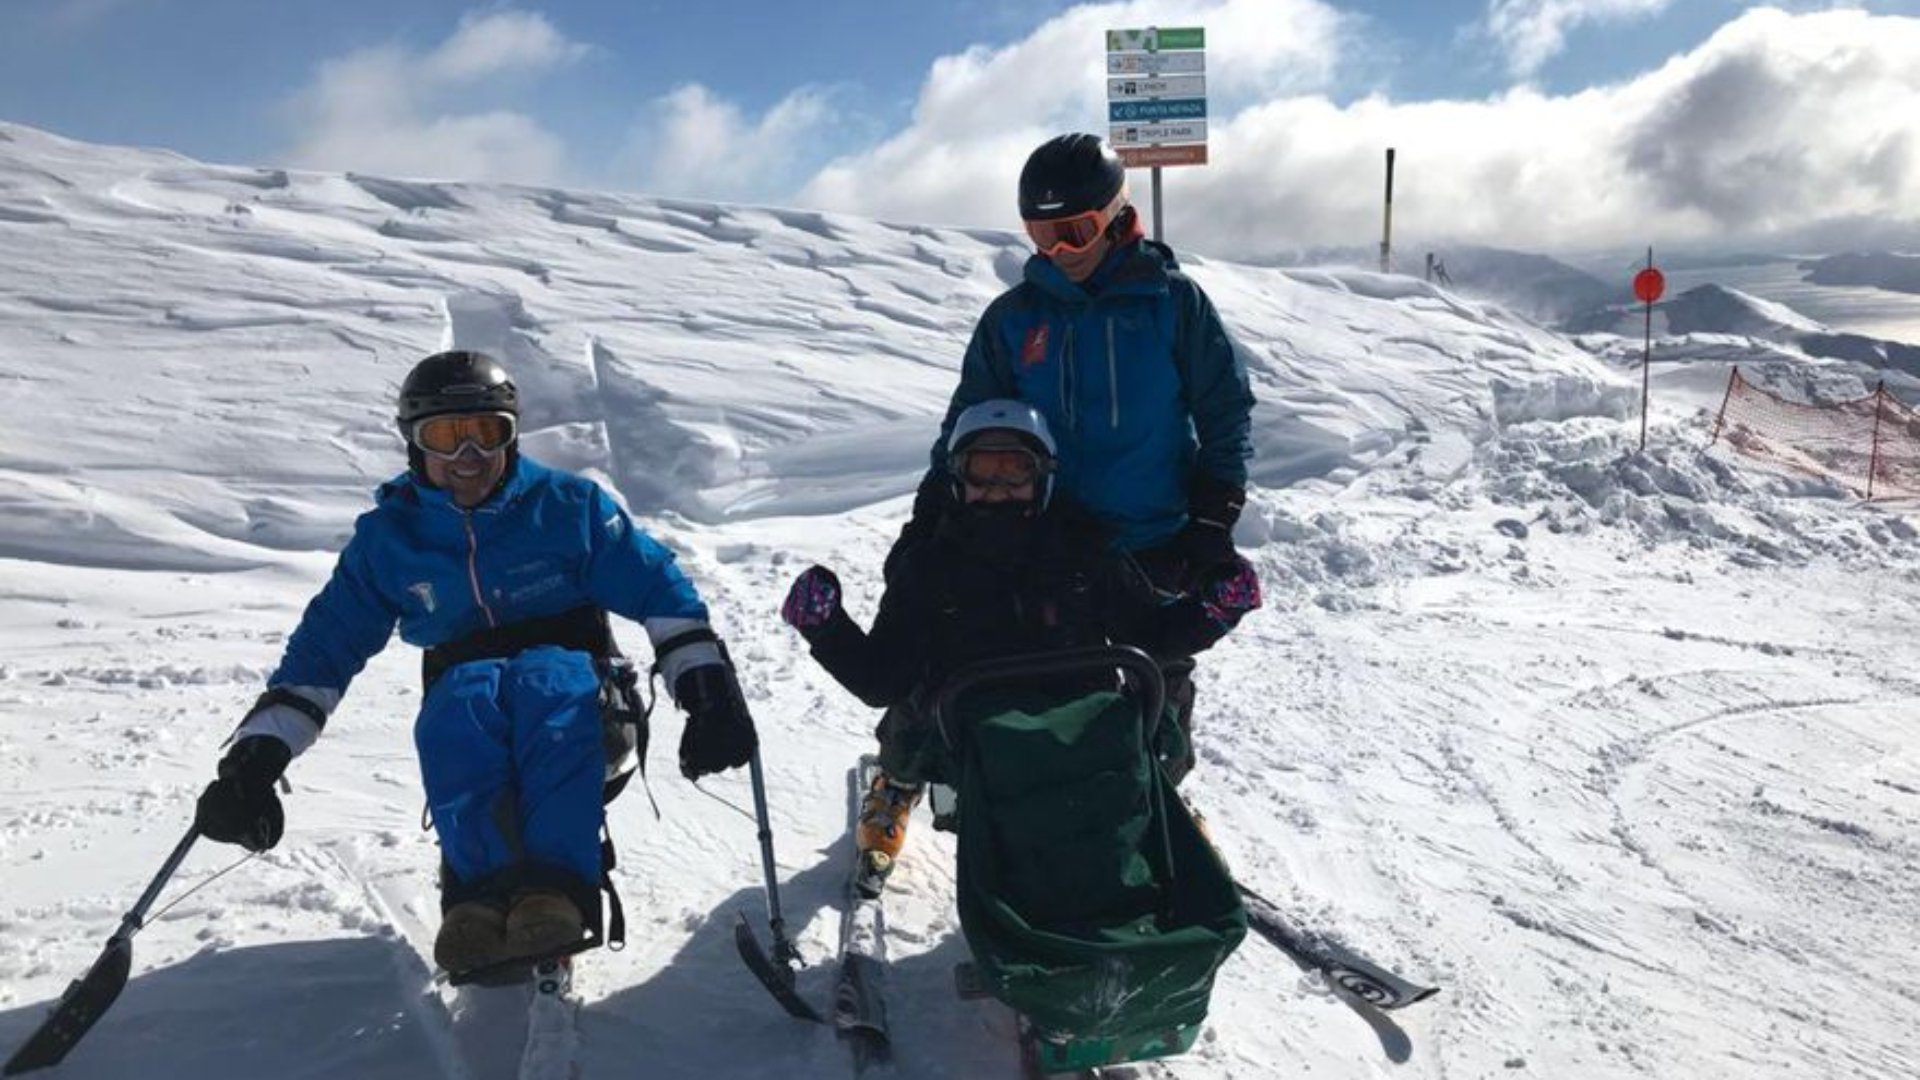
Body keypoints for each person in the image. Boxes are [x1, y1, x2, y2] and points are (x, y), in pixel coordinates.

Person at [193, 349, 758, 976]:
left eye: (487, 435)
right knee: (462, 702)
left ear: (511, 439)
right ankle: (478, 904)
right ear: (414, 446)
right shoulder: (392, 539)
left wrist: (707, 691)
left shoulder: (568, 508)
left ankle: (556, 892)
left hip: (581, 702)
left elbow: (658, 588)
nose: (469, 460)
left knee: (547, 686)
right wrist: (259, 755)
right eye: (446, 438)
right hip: (467, 698)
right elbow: (328, 643)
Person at [888, 132, 1257, 775]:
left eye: (1076, 233)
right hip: (1039, 538)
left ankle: (1156, 795)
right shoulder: (1014, 318)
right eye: (1041, 236)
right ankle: (904, 771)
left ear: (1117, 215)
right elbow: (968, 422)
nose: (1059, 253)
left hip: (1150, 535)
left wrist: (1213, 517)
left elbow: (1223, 411)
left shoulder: (1173, 304)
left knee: (1156, 678)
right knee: (965, 653)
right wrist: (934, 510)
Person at [783, 400, 1260, 873]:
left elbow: (1149, 634)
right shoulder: (931, 566)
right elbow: (881, 677)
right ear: (957, 477)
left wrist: (1212, 611)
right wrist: (827, 629)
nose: (997, 488)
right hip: (973, 739)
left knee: (1162, 691)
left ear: (1042, 476)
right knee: (915, 698)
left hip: (1079, 730)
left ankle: (1154, 793)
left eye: (1014, 471)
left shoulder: (1084, 552)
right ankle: (899, 780)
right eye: (982, 471)